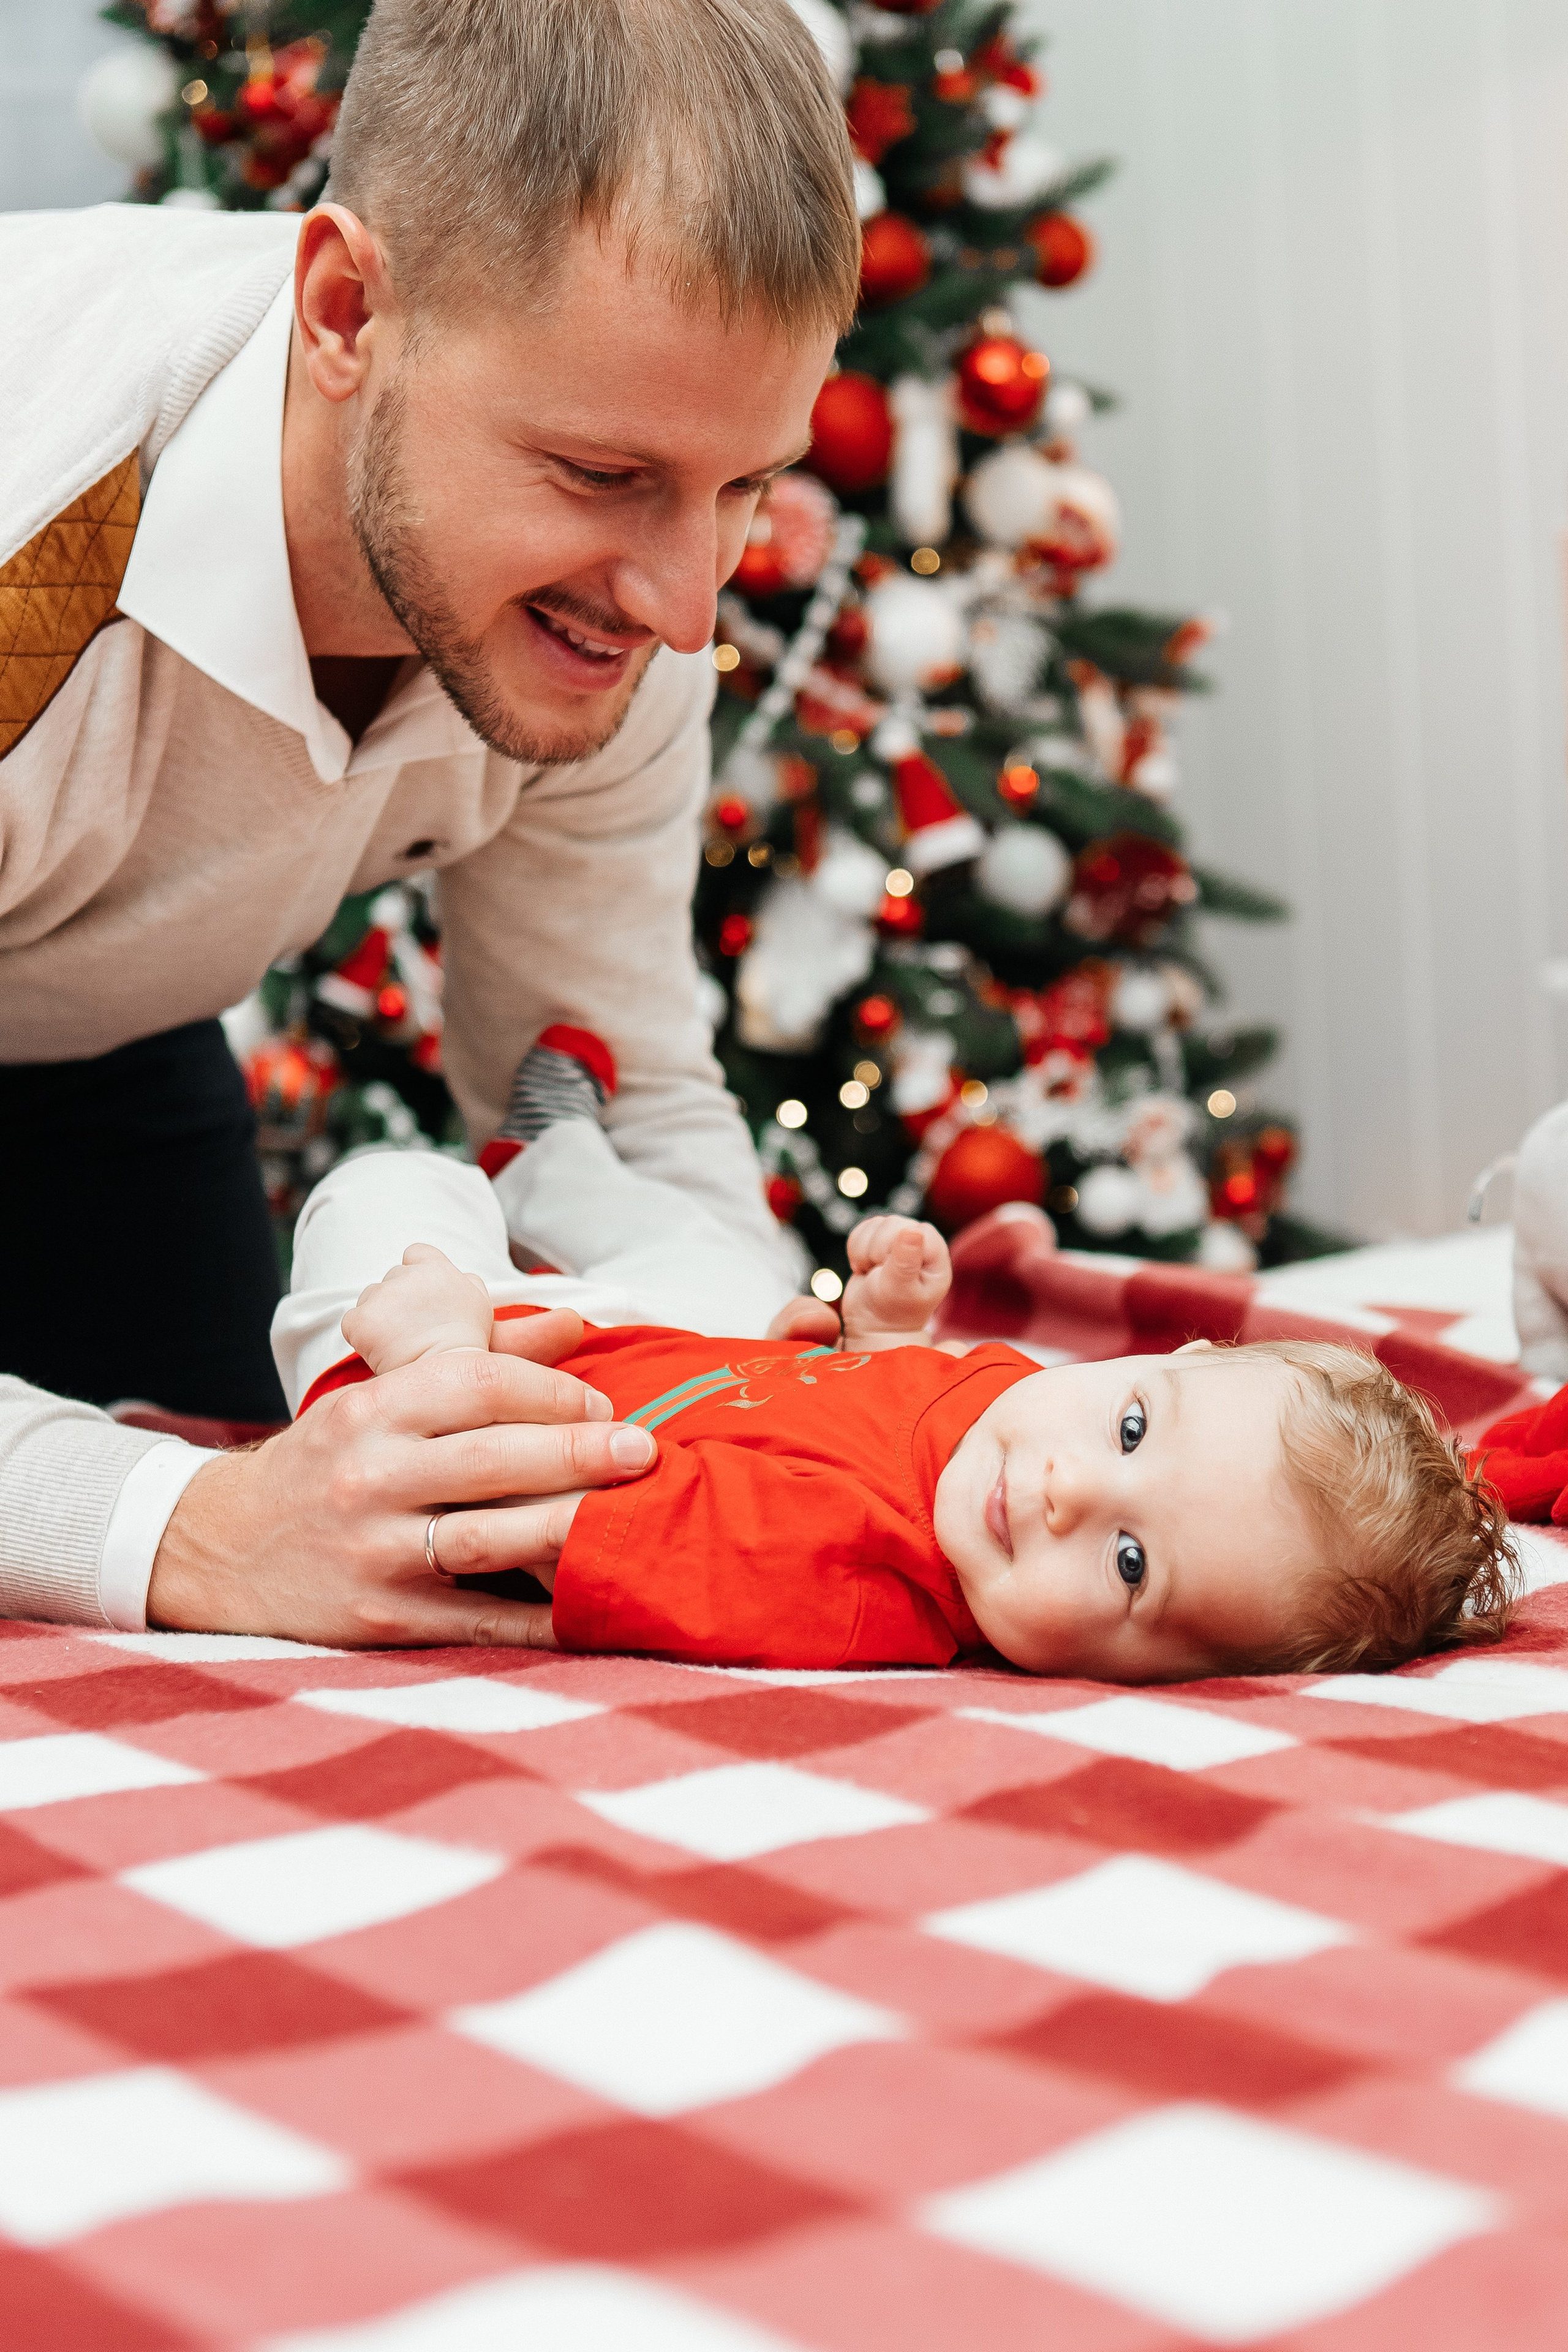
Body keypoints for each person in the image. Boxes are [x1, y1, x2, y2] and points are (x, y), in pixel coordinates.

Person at [0, 0, 860, 1642]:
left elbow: (595, 1092)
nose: (689, 613)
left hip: (104, 1045)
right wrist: (196, 1531)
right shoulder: (27, 520)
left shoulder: (621, 611)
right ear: (345, 309)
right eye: (603, 474)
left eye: (748, 486)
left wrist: (783, 1403)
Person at [272, 1028, 1520, 1676]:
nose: (1068, 1490)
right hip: (660, 1350)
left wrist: (442, 1364)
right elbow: (877, 1409)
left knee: (393, 1188)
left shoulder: (858, 1586)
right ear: (1174, 1357)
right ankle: (555, 1163)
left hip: (437, 1417)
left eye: (1131, 1564)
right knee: (730, 1269)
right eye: (1134, 1428)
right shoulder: (1021, 1409)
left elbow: (568, 1515)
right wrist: (882, 1337)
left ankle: (455, 1217)